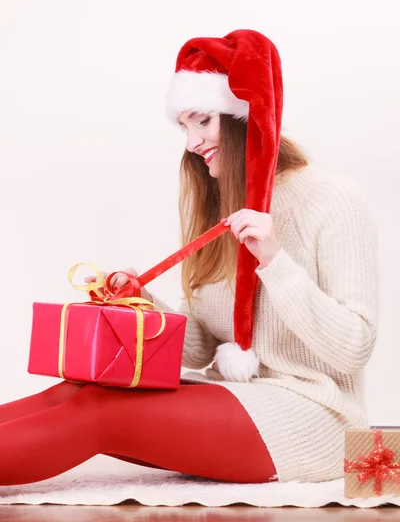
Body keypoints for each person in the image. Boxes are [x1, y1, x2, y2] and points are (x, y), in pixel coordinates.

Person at [0, 30, 378, 486]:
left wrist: (274, 262)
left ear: (245, 117)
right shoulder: (219, 206)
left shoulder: (331, 198)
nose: (191, 143)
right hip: (240, 397)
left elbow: (354, 348)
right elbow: (201, 348)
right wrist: (144, 303)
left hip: (316, 416)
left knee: (99, 413)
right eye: (183, 126)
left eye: (202, 121)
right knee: (81, 390)